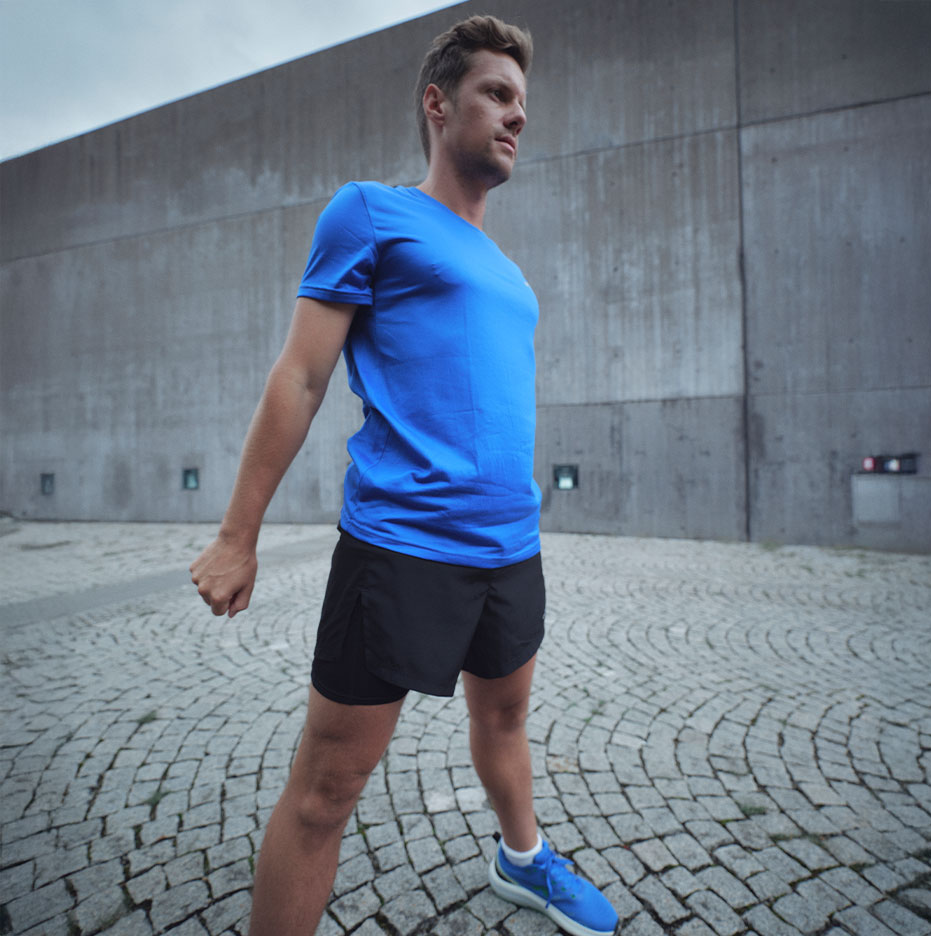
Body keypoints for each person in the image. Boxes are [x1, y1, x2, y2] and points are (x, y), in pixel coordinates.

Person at [190, 15, 619, 936]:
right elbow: (301, 377)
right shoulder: (370, 213)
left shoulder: (508, 270)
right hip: (401, 549)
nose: (517, 115)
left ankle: (523, 860)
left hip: (511, 547)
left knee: (504, 721)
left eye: (523, 101)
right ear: (437, 103)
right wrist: (236, 535)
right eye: (497, 94)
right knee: (326, 791)